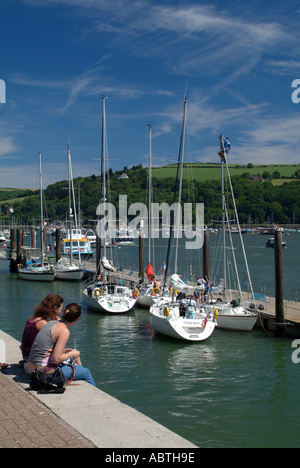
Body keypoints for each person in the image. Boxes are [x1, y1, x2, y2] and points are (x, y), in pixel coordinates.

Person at [28, 303, 96, 387]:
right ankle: (98, 398)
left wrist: (63, 351)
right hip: (42, 371)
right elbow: (56, 358)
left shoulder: (50, 323)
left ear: (64, 312)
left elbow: (45, 347)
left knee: (78, 367)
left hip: (31, 367)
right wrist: (71, 354)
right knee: (86, 372)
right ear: (77, 319)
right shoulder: (64, 330)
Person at [20, 294, 64, 372]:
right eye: (60, 308)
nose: (60, 312)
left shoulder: (32, 317)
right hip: (34, 366)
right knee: (69, 355)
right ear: (55, 308)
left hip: (27, 359)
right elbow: (57, 344)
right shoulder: (43, 324)